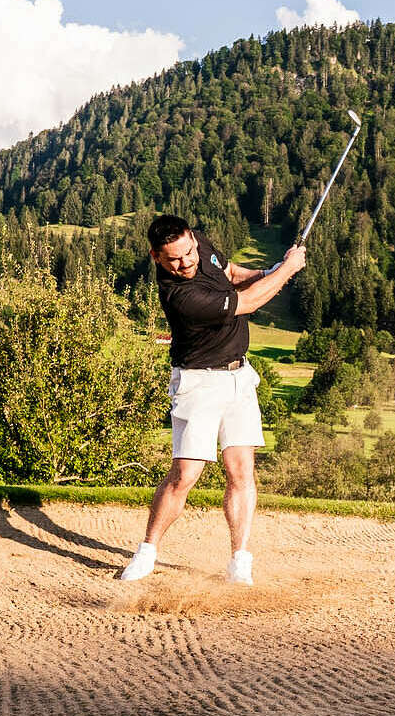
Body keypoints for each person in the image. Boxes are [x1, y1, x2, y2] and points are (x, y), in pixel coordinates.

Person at [118, 215, 306, 585]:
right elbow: (247, 302)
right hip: (198, 383)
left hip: (239, 378)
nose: (186, 262)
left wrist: (269, 268)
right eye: (174, 259)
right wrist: (287, 270)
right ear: (156, 257)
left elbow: (230, 273)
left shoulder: (197, 244)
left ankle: (240, 560)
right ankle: (147, 552)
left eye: (188, 252)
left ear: (192, 239)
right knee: (185, 474)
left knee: (240, 469)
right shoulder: (180, 296)